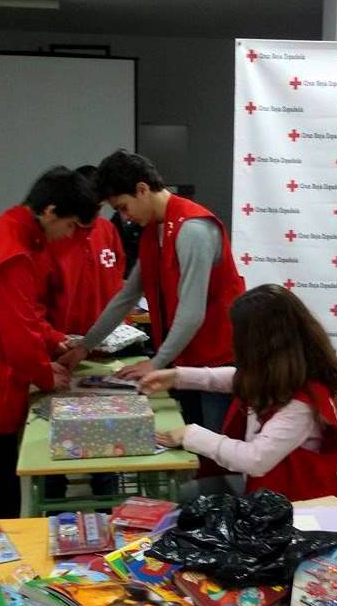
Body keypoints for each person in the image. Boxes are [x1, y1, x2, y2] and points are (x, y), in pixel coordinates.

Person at [60, 150, 244, 433]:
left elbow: (192, 312)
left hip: (215, 363)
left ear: (142, 189)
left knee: (215, 452)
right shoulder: (153, 231)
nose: (126, 218)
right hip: (183, 361)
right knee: (189, 441)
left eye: (123, 207)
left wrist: (156, 362)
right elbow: (126, 296)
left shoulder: (192, 229)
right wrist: (86, 345)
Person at [0, 167, 99, 519]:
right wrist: (48, 376)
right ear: (49, 211)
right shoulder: (13, 253)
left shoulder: (11, 235)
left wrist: (54, 340)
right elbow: (18, 339)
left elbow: (25, 316)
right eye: (69, 226)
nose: (68, 236)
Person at [141, 284, 337, 502]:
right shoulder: (286, 374)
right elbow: (233, 378)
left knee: (178, 502)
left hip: (291, 508)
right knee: (177, 498)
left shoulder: (301, 406)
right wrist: (176, 377)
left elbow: (255, 460)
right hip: (268, 492)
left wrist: (190, 434)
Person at [39, 165, 126, 499]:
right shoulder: (56, 237)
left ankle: (107, 507)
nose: (96, 214)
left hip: (103, 351)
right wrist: (55, 342)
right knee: (54, 440)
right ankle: (54, 500)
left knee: (108, 439)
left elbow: (118, 279)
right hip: (61, 351)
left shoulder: (107, 231)